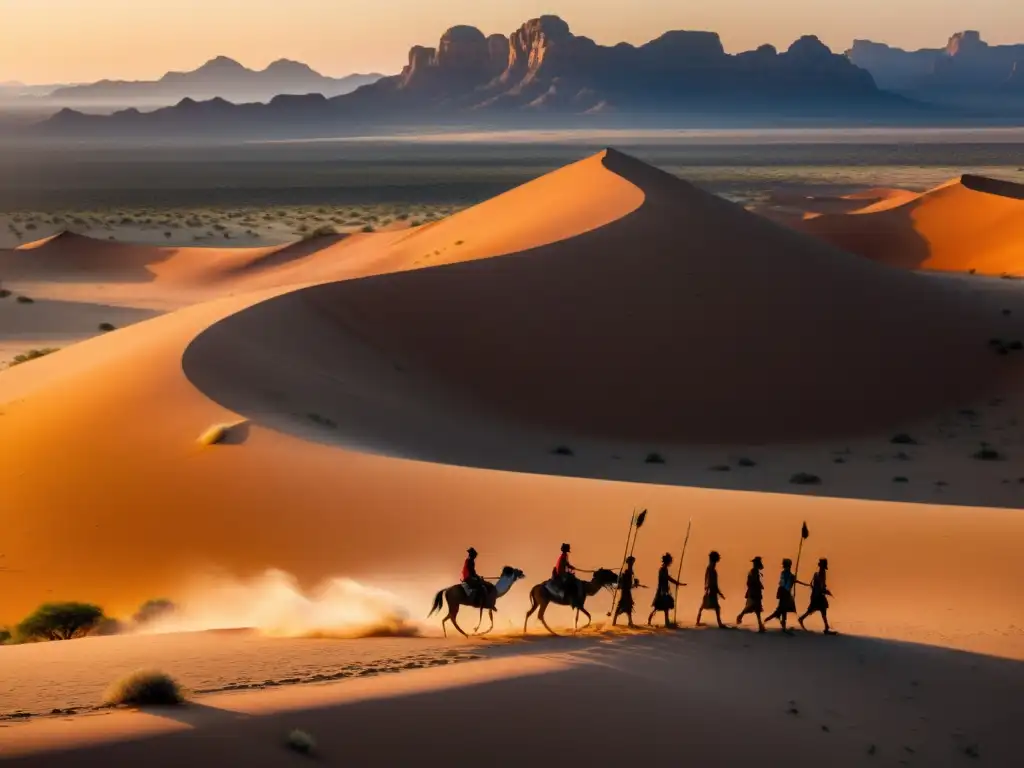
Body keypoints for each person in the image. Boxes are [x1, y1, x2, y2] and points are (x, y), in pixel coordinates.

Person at [764, 558, 808, 633]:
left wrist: (804, 584)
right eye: (788, 565)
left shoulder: (788, 574)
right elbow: (784, 584)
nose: (789, 567)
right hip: (784, 594)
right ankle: (766, 621)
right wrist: (792, 579)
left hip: (785, 594)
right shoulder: (784, 574)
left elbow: (793, 581)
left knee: (783, 611)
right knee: (780, 611)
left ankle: (782, 626)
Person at [647, 553, 685, 627]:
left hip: (664, 590)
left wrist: (677, 583)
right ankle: (651, 621)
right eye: (670, 561)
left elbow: (668, 578)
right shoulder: (662, 569)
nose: (670, 562)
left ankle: (666, 622)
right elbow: (667, 578)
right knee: (658, 607)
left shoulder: (665, 569)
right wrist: (677, 583)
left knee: (665, 608)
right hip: (662, 591)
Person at [799, 558, 835, 634]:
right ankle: (826, 626)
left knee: (820, 609)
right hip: (818, 595)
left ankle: (826, 626)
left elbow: (814, 585)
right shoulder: (820, 573)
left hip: (816, 594)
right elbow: (821, 586)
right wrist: (826, 591)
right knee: (819, 609)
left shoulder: (817, 573)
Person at [695, 550, 727, 628]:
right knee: (715, 607)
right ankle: (719, 623)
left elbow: (708, 580)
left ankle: (698, 621)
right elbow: (710, 581)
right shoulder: (711, 569)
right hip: (711, 590)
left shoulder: (710, 568)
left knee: (705, 606)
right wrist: (712, 590)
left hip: (710, 589)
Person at [736, 556, 766, 633]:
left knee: (755, 609)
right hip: (754, 593)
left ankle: (760, 625)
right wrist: (758, 585)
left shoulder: (755, 571)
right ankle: (740, 616)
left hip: (755, 592)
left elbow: (761, 568)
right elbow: (751, 582)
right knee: (752, 608)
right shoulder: (753, 572)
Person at [613, 556, 640, 627]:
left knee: (628, 607)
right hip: (625, 593)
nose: (632, 564)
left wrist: (635, 584)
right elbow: (626, 585)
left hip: (627, 592)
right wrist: (634, 584)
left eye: (632, 563)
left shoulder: (629, 573)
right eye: (631, 563)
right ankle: (614, 621)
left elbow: (628, 585)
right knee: (622, 606)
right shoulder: (627, 573)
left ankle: (629, 622)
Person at [552, 543, 580, 607]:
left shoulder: (563, 555)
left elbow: (566, 564)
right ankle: (567, 595)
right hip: (561, 573)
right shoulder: (564, 556)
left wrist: (570, 567)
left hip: (561, 572)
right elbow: (566, 564)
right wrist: (571, 567)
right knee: (571, 580)